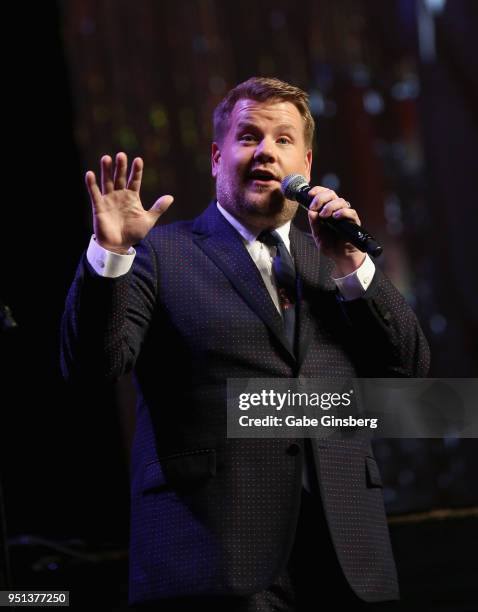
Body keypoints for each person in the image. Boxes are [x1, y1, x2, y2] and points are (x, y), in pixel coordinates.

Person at [61, 77, 430, 610]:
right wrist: (109, 255)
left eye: (282, 140)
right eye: (248, 136)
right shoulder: (160, 253)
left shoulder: (331, 260)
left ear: (305, 161)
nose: (265, 151)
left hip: (346, 555)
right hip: (213, 556)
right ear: (216, 157)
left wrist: (351, 264)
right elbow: (91, 366)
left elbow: (411, 373)